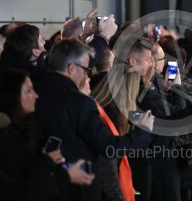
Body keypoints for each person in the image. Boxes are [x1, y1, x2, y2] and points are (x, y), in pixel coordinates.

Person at [34, 39, 154, 201]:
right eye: (85, 70)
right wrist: (142, 133)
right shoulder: (79, 102)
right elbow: (108, 146)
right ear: (71, 68)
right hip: (77, 186)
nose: (86, 76)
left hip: (45, 181)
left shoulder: (36, 89)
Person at [0, 69, 94, 201]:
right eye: (28, 91)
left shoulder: (30, 124)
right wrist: (56, 168)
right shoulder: (6, 139)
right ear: (12, 96)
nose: (35, 95)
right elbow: (21, 190)